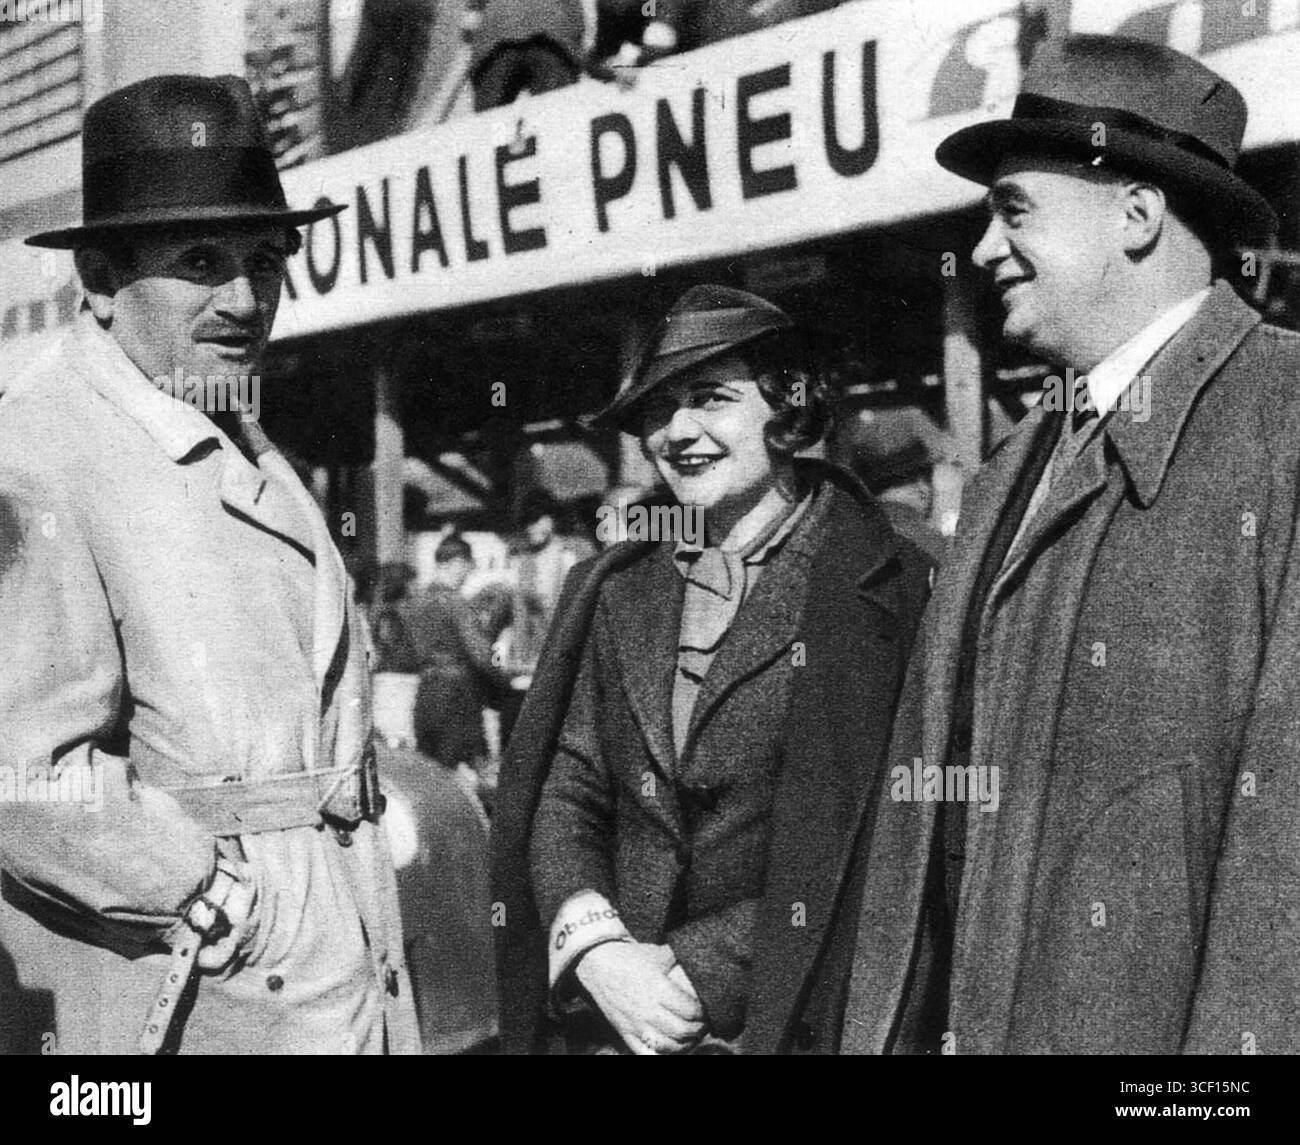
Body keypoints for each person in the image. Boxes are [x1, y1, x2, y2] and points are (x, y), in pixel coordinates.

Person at [841, 35, 1300, 1055]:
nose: (987, 249)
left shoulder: (1286, 424)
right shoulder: (1012, 464)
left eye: (1014, 210)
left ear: (1136, 215)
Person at [0, 75, 418, 1054]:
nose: (244, 297)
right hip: (193, 997)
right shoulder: (40, 458)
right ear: (99, 280)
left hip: (325, 976)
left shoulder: (227, 429)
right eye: (199, 260)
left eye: (265, 259)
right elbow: (19, 769)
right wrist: (204, 887)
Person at [492, 284, 931, 1054]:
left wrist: (693, 971)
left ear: (788, 409)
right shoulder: (615, 585)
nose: (678, 432)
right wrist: (598, 950)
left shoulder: (892, 588)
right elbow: (569, 787)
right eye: (659, 410)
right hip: (615, 1021)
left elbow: (880, 837)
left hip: (795, 1018)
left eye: (710, 399)